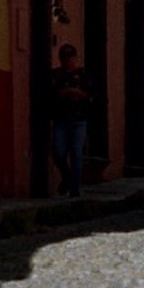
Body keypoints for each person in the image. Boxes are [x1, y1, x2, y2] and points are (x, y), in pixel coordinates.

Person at [49, 41, 90, 197]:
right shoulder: (55, 76)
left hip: (79, 120)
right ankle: (66, 177)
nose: (67, 60)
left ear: (75, 58)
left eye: (69, 57)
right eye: (63, 57)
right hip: (61, 119)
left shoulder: (83, 75)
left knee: (76, 153)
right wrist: (63, 93)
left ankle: (74, 187)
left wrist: (76, 92)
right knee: (58, 152)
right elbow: (51, 96)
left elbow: (91, 95)